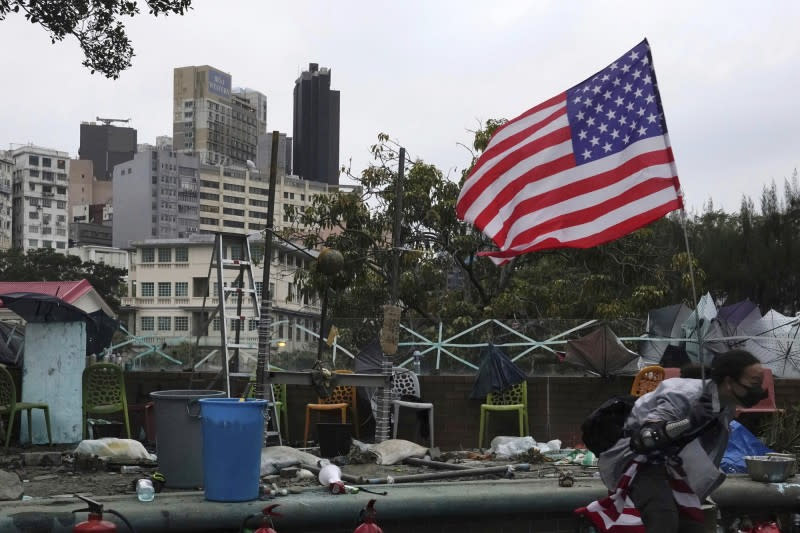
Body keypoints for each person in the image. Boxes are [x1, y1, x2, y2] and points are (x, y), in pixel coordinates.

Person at [597, 349, 767, 533]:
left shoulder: (724, 404)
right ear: (728, 382)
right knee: (663, 518)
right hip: (638, 459)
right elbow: (645, 438)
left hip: (673, 464)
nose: (758, 391)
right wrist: (688, 422)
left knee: (692, 524)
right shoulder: (682, 394)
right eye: (754, 384)